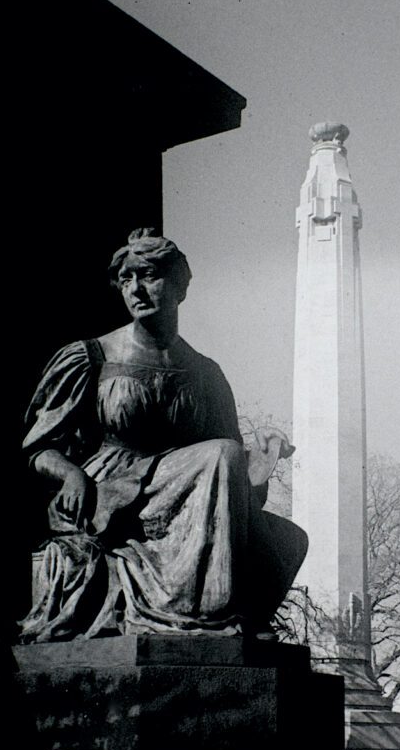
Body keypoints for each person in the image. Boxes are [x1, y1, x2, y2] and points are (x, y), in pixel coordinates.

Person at [18, 229, 307, 641]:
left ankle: (199, 611)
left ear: (179, 287)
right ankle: (206, 618)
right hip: (111, 491)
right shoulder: (91, 356)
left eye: (149, 275)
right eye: (126, 279)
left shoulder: (206, 373)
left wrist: (257, 465)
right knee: (224, 454)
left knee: (287, 538)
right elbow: (39, 447)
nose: (136, 289)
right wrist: (71, 475)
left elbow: (225, 478)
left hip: (181, 494)